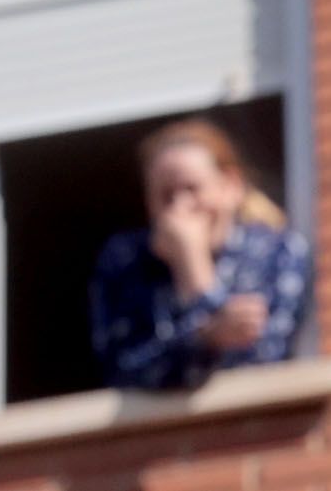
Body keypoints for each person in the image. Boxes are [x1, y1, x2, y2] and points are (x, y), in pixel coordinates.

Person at [87, 118, 312, 392]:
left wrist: (194, 275)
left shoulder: (279, 253)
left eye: (191, 188)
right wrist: (207, 336)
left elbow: (261, 362)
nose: (180, 207)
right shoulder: (127, 261)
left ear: (230, 187)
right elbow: (122, 372)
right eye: (166, 196)